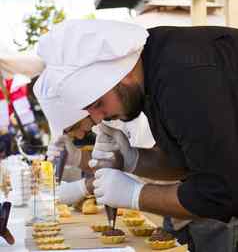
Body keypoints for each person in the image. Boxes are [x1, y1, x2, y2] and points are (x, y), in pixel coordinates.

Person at [33, 19, 238, 251]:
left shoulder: (183, 77)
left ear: (125, 71)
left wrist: (135, 195)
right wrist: (131, 159)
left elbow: (219, 193)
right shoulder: (150, 72)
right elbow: (184, 165)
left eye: (98, 103)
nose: (98, 118)